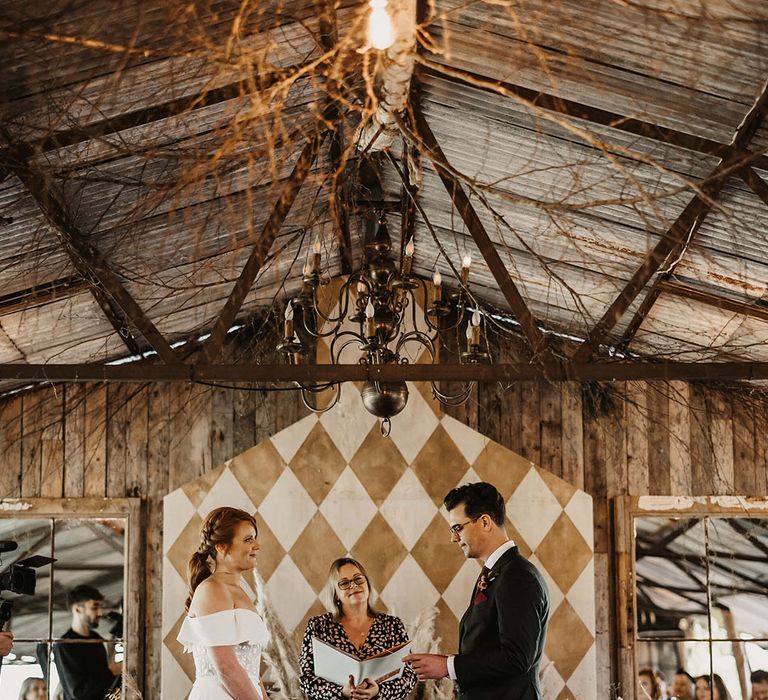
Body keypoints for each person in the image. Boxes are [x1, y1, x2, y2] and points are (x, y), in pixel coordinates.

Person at [405, 482, 550, 699]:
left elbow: (517, 657)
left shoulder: (517, 576)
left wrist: (448, 666)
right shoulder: (497, 572)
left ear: (484, 522)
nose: (454, 538)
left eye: (457, 528)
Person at [177, 506, 269, 700]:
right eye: (248, 539)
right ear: (221, 546)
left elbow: (250, 670)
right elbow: (225, 667)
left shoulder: (238, 592)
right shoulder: (213, 589)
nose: (257, 545)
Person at [299, 557, 417, 700]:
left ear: (367, 583)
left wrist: (378, 691)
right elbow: (306, 679)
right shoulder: (318, 626)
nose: (353, 586)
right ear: (335, 593)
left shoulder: (392, 625)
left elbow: (409, 676)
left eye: (358, 579)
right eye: (344, 583)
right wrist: (341, 692)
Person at [53, 584, 121, 700]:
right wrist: (112, 671)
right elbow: (78, 693)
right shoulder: (65, 645)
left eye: (100, 607)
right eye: (94, 607)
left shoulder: (96, 638)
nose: (100, 613)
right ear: (77, 609)